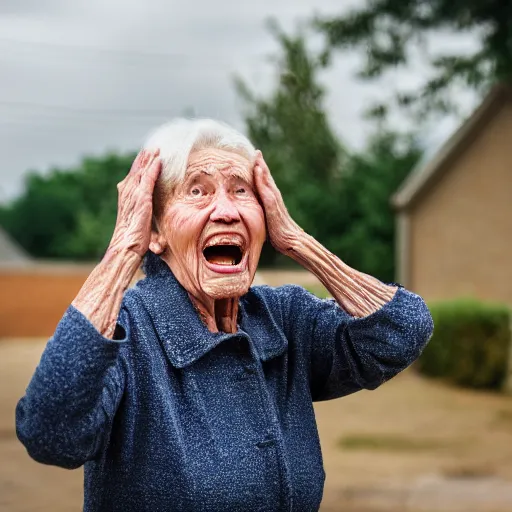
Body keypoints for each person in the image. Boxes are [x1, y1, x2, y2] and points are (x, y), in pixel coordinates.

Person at [16, 118, 433, 512]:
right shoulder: (127, 331)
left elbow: (402, 331)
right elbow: (50, 432)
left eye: (241, 192)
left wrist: (298, 241)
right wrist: (125, 246)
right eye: (197, 192)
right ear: (155, 232)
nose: (226, 211)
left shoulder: (282, 318)